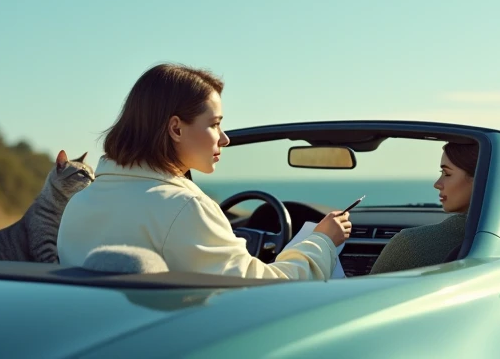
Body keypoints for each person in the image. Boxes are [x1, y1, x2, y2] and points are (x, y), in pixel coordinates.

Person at [56, 63, 351, 280]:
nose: (224, 139)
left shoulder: (80, 204)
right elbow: (268, 292)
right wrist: (322, 241)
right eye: (214, 124)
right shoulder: (184, 208)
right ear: (176, 128)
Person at [368, 142, 477, 274]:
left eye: (447, 173)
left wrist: (334, 247)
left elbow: (365, 293)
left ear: (479, 178)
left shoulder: (411, 244)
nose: (437, 184)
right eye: (441, 173)